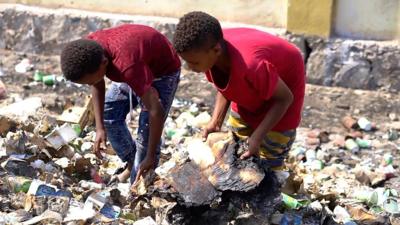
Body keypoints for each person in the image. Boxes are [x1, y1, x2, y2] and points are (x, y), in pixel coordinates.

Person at [173, 12, 305, 170]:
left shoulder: (250, 65)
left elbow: (284, 99)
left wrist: (257, 137)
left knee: (268, 168)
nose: (190, 68)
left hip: (281, 101)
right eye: (186, 62)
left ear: (216, 50)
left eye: (193, 63)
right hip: (250, 92)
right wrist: (215, 122)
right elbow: (225, 85)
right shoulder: (209, 52)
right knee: (235, 154)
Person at [60, 24, 181, 183]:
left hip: (162, 73)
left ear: (104, 63)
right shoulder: (90, 51)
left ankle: (138, 192)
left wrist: (150, 156)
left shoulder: (126, 66)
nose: (93, 83)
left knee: (146, 136)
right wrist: (99, 128)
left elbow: (155, 112)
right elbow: (96, 82)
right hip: (137, 65)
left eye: (92, 79)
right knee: (108, 115)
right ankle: (133, 163)